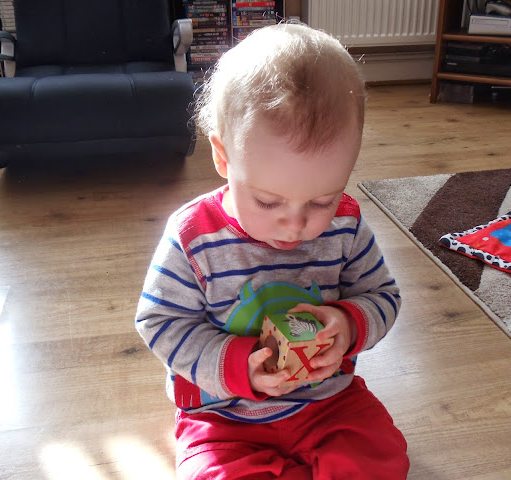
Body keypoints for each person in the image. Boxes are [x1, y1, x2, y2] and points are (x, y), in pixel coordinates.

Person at [135, 22, 409, 479]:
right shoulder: (192, 236)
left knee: (381, 458)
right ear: (224, 159)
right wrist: (240, 365)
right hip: (223, 415)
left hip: (328, 402)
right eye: (268, 201)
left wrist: (347, 324)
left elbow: (383, 295)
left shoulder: (345, 223)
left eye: (321, 199)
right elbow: (160, 322)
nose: (296, 223)